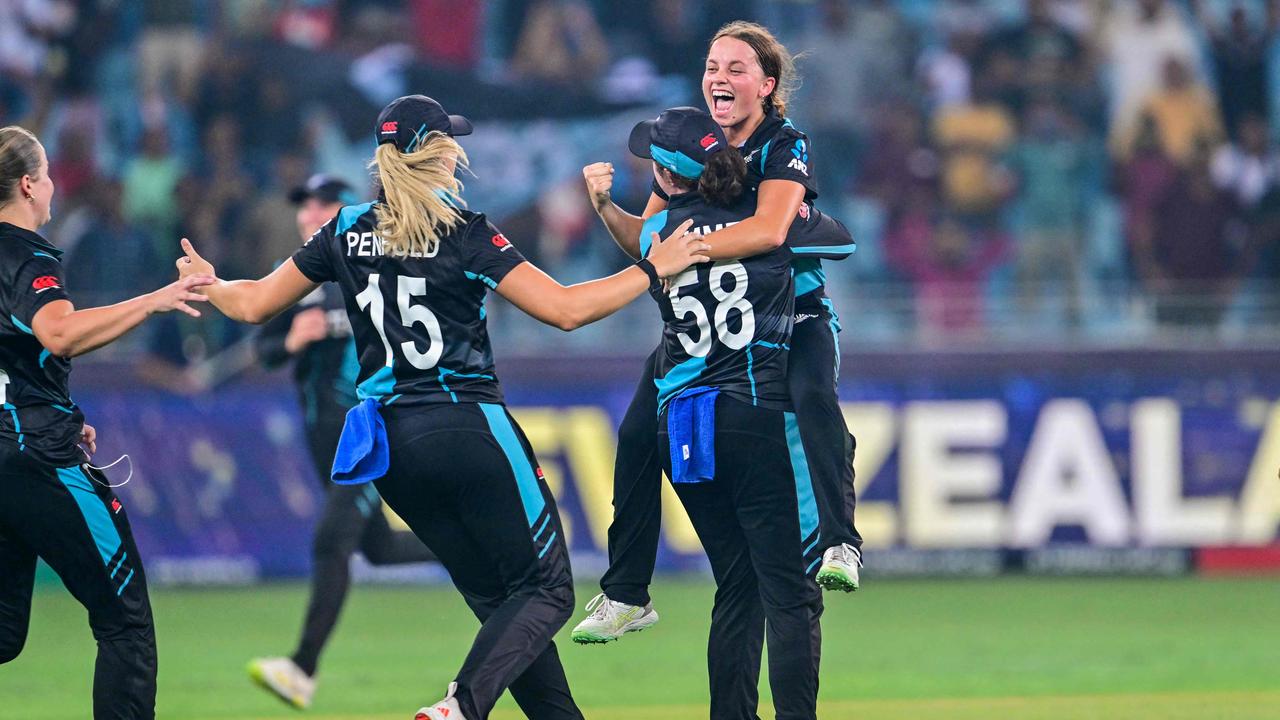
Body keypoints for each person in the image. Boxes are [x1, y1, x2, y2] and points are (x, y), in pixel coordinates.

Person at [175, 95, 710, 720]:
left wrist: (211, 286)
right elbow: (565, 310)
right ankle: (461, 707)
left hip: (392, 450)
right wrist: (655, 266)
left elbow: (254, 304)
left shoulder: (345, 228)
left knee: (503, 609)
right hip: (469, 426)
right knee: (547, 591)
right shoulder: (464, 231)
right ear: (440, 154)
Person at [574, 20, 862, 644]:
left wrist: (691, 249)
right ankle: (626, 592)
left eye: (735, 68)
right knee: (634, 435)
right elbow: (649, 245)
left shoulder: (784, 143)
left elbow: (769, 231)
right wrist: (604, 207)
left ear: (766, 83)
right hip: (706, 329)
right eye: (712, 66)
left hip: (794, 314)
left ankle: (841, 541)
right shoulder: (685, 148)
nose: (719, 78)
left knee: (814, 398)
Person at [628, 108, 841, 720]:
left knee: (737, 589)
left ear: (671, 177)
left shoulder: (657, 239)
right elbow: (827, 237)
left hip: (687, 429)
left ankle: (625, 588)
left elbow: (640, 239)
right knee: (791, 594)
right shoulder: (766, 236)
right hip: (753, 415)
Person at [0, 125, 215, 719]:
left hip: (13, 443)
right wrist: (156, 298)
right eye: (45, 176)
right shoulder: (27, 253)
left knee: (3, 633)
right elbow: (58, 331)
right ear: (27, 184)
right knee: (124, 620)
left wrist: (52, 407)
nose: (51, 187)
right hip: (37, 457)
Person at [246, 174, 438, 709]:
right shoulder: (299, 279)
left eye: (321, 204)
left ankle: (301, 670)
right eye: (305, 205)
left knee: (332, 541)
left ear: (344, 212)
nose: (310, 213)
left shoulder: (364, 268)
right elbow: (263, 350)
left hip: (369, 437)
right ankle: (476, 544)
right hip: (325, 446)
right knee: (376, 548)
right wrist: (290, 338)